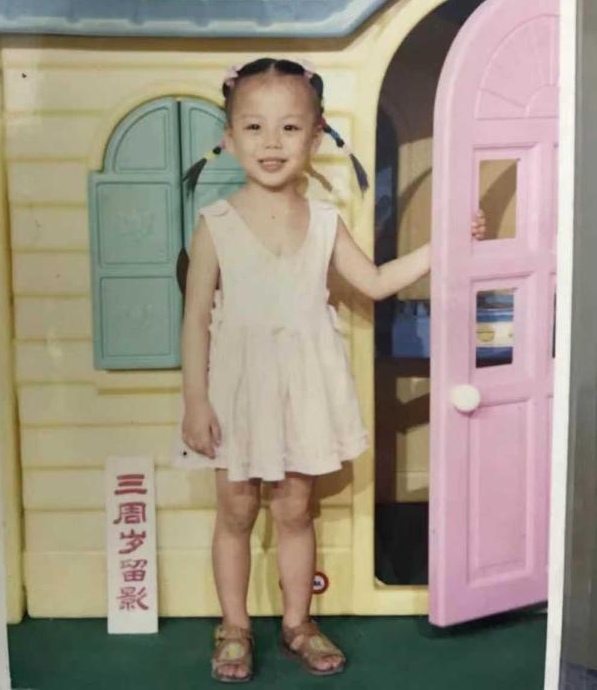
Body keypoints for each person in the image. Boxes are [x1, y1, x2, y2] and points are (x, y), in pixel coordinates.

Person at [174, 58, 486, 682]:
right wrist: (195, 402)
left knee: (295, 509)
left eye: (289, 128)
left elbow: (373, 281)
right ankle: (234, 626)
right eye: (254, 127)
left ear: (315, 137)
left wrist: (444, 244)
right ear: (230, 138)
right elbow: (196, 320)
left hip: (303, 389)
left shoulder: (322, 221)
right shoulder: (216, 225)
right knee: (236, 510)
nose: (271, 142)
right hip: (239, 392)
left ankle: (298, 623)